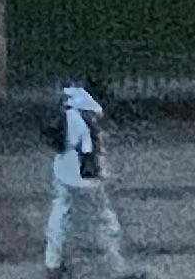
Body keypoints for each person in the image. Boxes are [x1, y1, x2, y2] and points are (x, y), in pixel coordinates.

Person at [42, 79, 126, 274]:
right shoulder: (83, 119)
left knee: (60, 214)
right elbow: (89, 151)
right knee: (103, 218)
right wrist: (98, 173)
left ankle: (53, 262)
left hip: (63, 171)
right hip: (81, 177)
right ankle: (114, 266)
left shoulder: (68, 112)